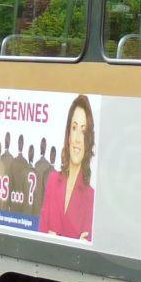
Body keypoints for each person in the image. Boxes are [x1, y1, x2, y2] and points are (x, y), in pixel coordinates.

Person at [38, 95, 95, 240]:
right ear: (68, 135)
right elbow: (41, 234)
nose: (77, 139)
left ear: (88, 140)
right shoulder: (52, 181)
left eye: (83, 131)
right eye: (74, 128)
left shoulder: (91, 197)